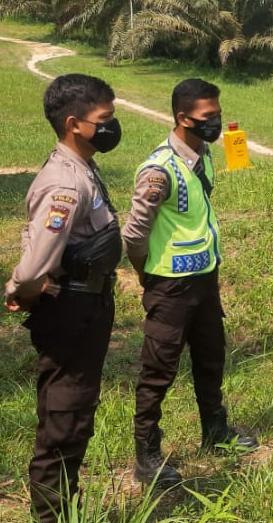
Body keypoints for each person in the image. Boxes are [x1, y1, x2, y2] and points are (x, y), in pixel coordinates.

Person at [121, 78, 257, 488]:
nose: (214, 123)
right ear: (183, 118)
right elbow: (133, 235)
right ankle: (146, 454)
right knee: (158, 370)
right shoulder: (158, 171)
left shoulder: (203, 155)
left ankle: (215, 431)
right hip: (170, 285)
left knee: (211, 357)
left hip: (204, 279)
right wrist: (147, 274)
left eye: (216, 114)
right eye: (207, 117)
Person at [4, 74, 122, 522]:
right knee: (63, 417)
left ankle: (66, 508)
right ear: (74, 123)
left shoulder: (81, 167)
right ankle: (52, 515)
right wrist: (20, 290)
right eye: (104, 119)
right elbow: (35, 268)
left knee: (76, 411)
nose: (112, 126)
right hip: (70, 310)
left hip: (87, 306)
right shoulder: (65, 185)